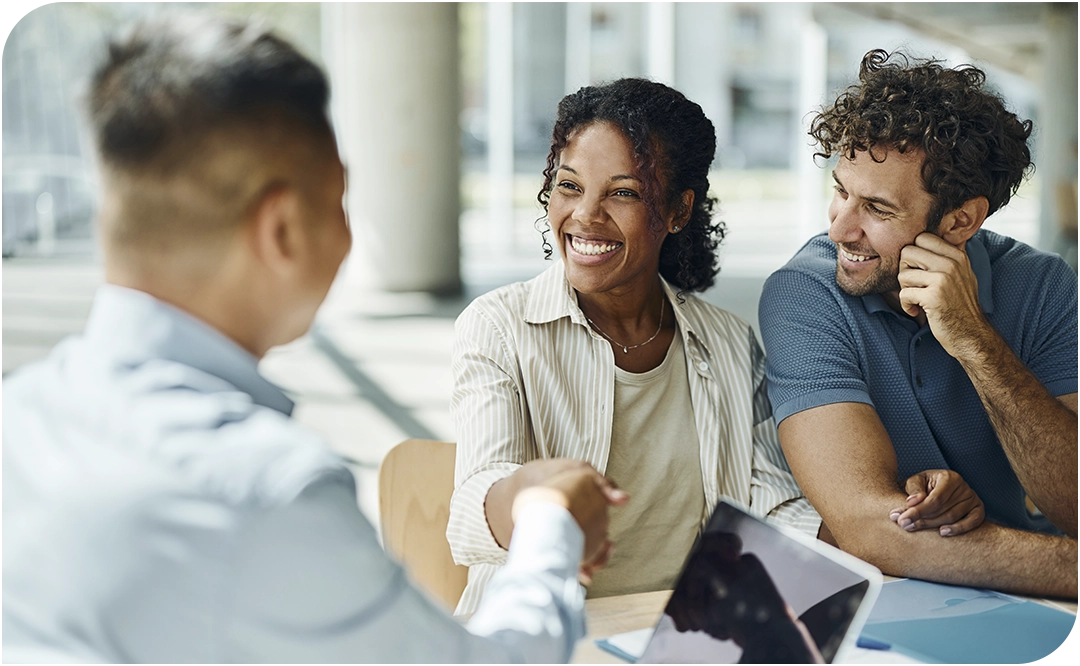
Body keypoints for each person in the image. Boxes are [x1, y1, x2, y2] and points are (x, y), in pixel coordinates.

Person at [0, 14, 627, 663]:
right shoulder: (268, 495)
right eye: (339, 203)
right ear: (282, 231)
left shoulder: (17, 416)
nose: (349, 238)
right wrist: (551, 524)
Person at [448, 78, 820, 616]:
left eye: (622, 192)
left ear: (678, 210)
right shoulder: (499, 327)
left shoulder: (730, 343)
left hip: (692, 641)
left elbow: (771, 504)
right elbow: (470, 508)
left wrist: (890, 531)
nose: (584, 217)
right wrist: (532, 496)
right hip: (550, 642)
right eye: (569, 186)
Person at [759, 50, 1078, 598]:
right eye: (840, 191)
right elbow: (866, 528)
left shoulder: (1045, 286)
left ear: (960, 221)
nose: (840, 229)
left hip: (1036, 605)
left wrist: (974, 340)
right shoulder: (804, 293)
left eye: (877, 210)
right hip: (898, 603)